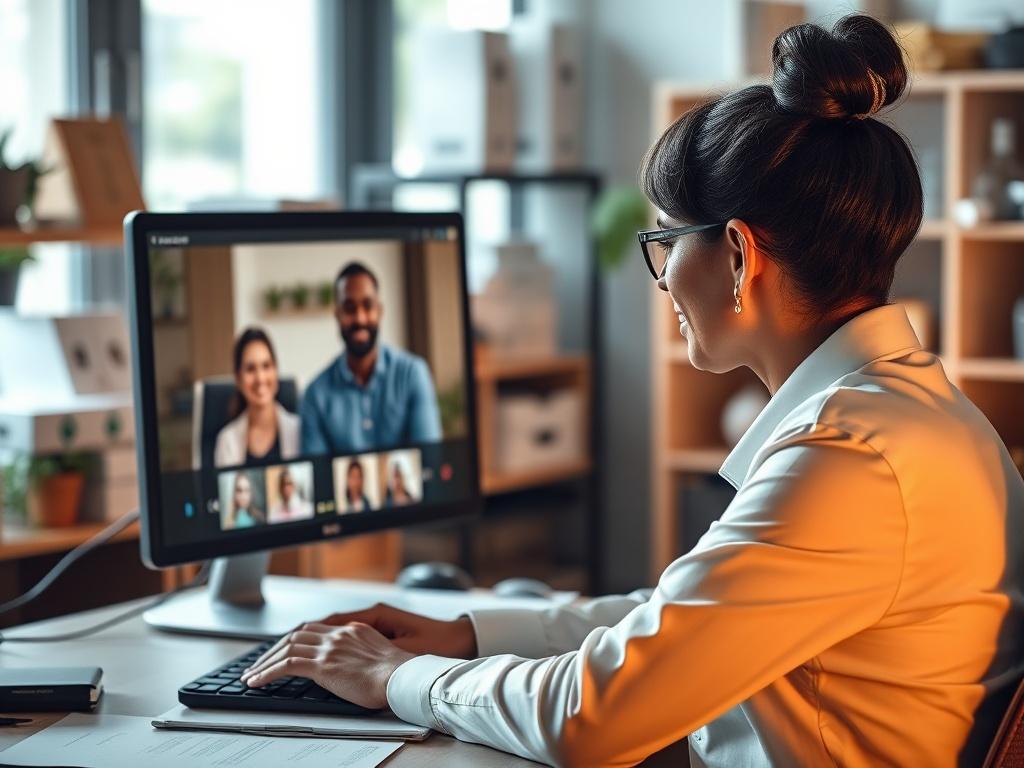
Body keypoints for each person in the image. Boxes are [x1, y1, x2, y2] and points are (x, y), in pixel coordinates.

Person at [239, 16, 1024, 768]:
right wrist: (467, 632)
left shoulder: (849, 461)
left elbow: (594, 716)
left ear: (739, 255)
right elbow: (684, 626)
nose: (661, 279)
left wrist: (391, 678)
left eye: (665, 240)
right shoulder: (911, 422)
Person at [300, 262, 441, 456]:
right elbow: (319, 480)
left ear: (380, 311)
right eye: (349, 308)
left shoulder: (413, 374)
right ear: (337, 315)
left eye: (368, 306)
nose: (360, 318)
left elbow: (429, 460)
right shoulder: (315, 395)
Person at [214, 328, 300, 467]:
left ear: (276, 371)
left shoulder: (299, 431)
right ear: (238, 378)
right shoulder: (227, 441)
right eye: (250, 369)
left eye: (266, 366)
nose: (260, 378)